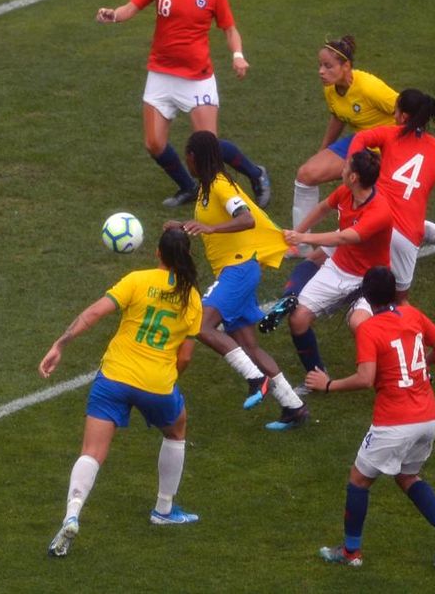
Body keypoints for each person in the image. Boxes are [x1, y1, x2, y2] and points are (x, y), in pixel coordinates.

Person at [39, 227, 203, 558]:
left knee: (91, 451)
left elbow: (95, 313)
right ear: (186, 257)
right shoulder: (192, 298)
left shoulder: (137, 280)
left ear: (157, 253)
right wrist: (168, 379)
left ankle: (72, 513)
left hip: (113, 377)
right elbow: (185, 356)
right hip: (157, 384)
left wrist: (61, 343)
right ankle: (164, 509)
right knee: (177, 427)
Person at [96, 0, 271, 210]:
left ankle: (256, 173)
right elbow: (132, 6)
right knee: (154, 144)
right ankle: (188, 187)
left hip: (196, 79)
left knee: (208, 148)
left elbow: (229, 29)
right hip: (161, 75)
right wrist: (113, 15)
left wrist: (238, 55)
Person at [306, 266, 435, 569]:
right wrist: (423, 369)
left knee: (358, 480)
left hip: (395, 421)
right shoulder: (413, 314)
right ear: (395, 292)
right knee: (406, 476)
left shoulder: (369, 329)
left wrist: (328, 385)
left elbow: (366, 378)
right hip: (428, 417)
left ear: (366, 295)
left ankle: (351, 553)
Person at [289, 36, 435, 267]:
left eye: (328, 66)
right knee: (306, 175)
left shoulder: (371, 89)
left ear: (346, 66)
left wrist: (400, 150)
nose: (321, 71)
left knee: (384, 214)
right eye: (320, 65)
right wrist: (325, 150)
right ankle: (299, 244)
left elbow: (406, 112)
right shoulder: (332, 87)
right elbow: (339, 115)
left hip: (386, 148)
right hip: (363, 140)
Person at [169, 130, 308, 430]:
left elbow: (247, 219)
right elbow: (210, 222)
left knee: (200, 324)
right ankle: (293, 407)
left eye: (187, 157)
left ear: (194, 158)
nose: (186, 162)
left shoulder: (220, 185)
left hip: (238, 271)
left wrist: (210, 230)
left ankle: (256, 379)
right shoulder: (209, 187)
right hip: (237, 272)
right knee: (250, 346)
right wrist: (182, 226)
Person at [346, 88, 435, 300]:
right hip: (406, 230)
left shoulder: (390, 134)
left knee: (393, 296)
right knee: (393, 294)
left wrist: (354, 169)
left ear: (403, 116)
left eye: (395, 111)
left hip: (381, 217)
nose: (393, 116)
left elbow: (360, 138)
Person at [282, 150, 393, 377]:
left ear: (354, 177)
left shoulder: (379, 211)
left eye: (346, 167)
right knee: (298, 319)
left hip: (368, 280)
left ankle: (391, 368)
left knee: (361, 326)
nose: (341, 169)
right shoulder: (346, 192)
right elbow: (323, 207)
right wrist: (297, 232)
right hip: (340, 268)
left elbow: (344, 237)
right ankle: (317, 373)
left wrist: (303, 239)